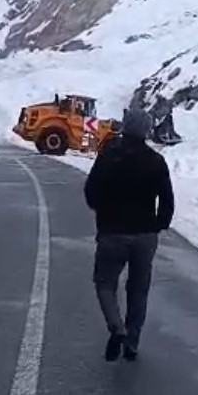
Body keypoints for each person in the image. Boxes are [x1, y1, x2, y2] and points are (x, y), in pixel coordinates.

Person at [83, 107, 175, 362]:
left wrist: (99, 209)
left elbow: (91, 189)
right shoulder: (156, 161)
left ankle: (116, 326)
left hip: (112, 231)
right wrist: (159, 225)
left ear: (125, 126)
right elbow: (167, 200)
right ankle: (132, 342)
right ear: (145, 130)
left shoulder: (109, 153)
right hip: (145, 236)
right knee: (138, 290)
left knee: (105, 283)